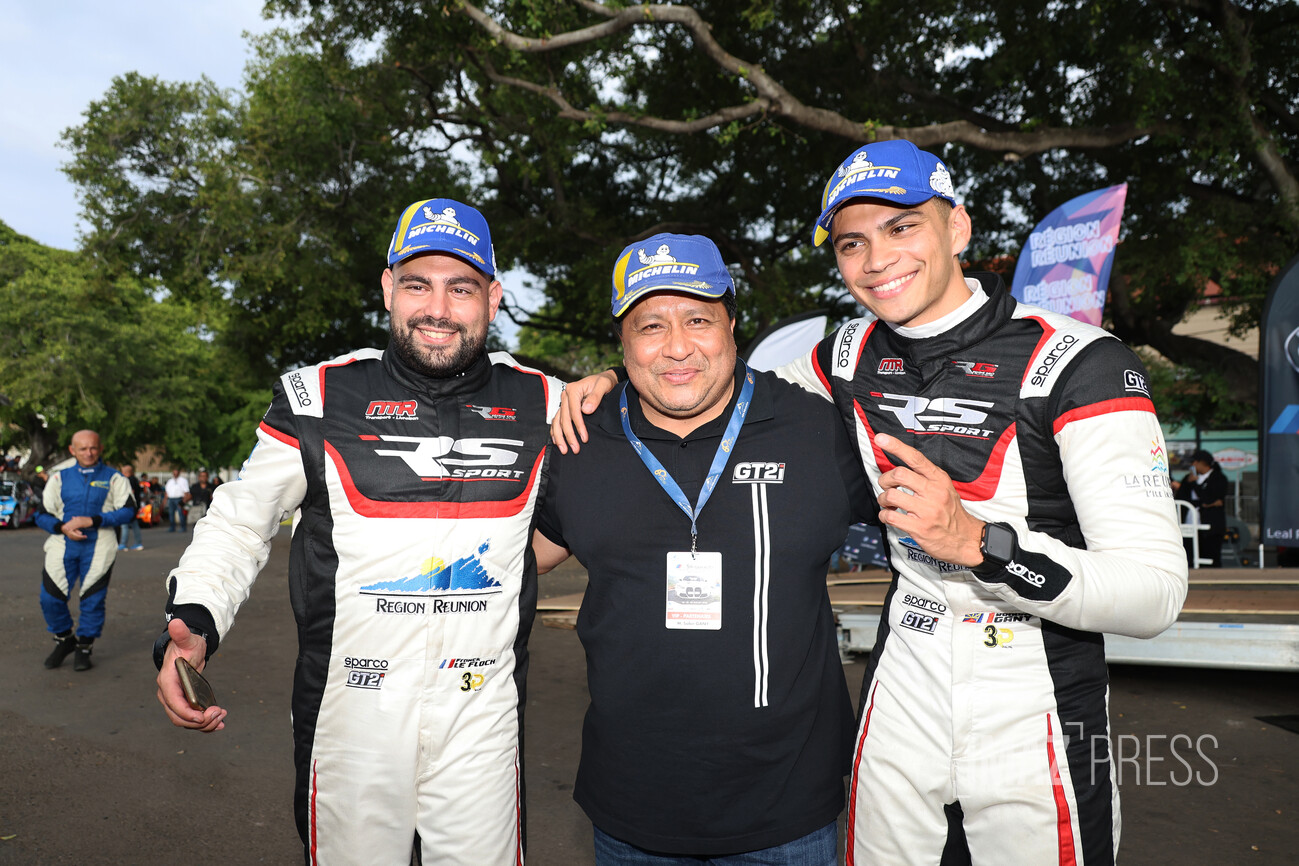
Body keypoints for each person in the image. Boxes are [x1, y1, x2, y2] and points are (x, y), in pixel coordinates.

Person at [554, 140, 1189, 865]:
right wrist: (607, 376)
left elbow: (1154, 597)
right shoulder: (845, 354)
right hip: (901, 694)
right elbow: (702, 377)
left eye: (901, 227)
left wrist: (984, 544)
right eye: (852, 242)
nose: (876, 258)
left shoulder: (1081, 363)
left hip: (1034, 695)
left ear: (956, 229)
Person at [153, 197, 562, 865]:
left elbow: (596, 508)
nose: (436, 307)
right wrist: (195, 619)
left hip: (481, 719)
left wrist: (606, 383)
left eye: (460, 288)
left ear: (492, 298)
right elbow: (239, 520)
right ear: (386, 289)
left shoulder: (545, 402)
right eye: (416, 284)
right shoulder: (316, 398)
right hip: (350, 716)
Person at [532, 233, 873, 864]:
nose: (678, 348)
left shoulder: (818, 429)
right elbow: (526, 559)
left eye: (698, 320)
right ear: (623, 343)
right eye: (650, 326)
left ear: (734, 327)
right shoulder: (579, 444)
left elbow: (928, 540)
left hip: (789, 813)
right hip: (631, 810)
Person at [34, 430, 136, 671]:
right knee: (49, 598)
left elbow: (129, 510)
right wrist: (61, 527)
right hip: (62, 543)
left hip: (99, 545)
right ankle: (65, 640)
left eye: (93, 448)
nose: (88, 453)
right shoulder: (59, 478)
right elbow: (41, 514)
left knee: (92, 600)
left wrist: (93, 521)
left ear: (100, 449)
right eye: (82, 449)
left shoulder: (114, 478)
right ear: (72, 450)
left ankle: (84, 648)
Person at [1173, 449, 1228, 567]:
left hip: (1210, 523)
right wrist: (1189, 483)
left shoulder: (1218, 478)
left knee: (1210, 553)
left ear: (1203, 463)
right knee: (1189, 551)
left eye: (1195, 462)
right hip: (1189, 521)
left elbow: (1211, 499)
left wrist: (1195, 485)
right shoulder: (1188, 478)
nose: (1192, 465)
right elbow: (1181, 498)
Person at [118, 463, 145, 551]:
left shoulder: (127, 480)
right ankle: (138, 543)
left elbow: (128, 492)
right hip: (134, 505)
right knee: (134, 524)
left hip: (128, 505)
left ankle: (123, 544)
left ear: (125, 472)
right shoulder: (135, 480)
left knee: (124, 525)